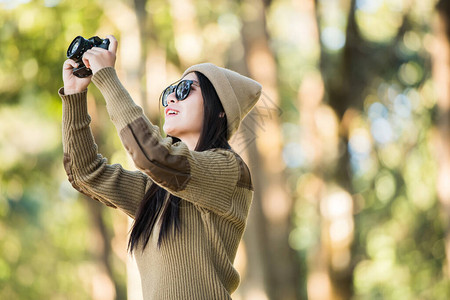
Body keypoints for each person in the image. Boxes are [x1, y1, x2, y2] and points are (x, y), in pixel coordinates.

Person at [59, 35, 261, 299]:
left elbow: (154, 155)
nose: (171, 100)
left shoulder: (229, 169)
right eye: (169, 93)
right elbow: (86, 174)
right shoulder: (155, 190)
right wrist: (75, 95)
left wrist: (107, 77)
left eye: (185, 90)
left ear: (220, 109)